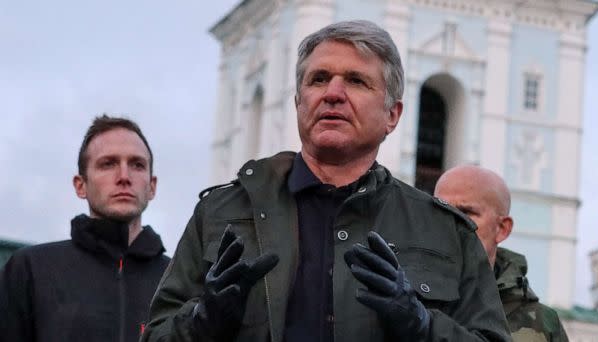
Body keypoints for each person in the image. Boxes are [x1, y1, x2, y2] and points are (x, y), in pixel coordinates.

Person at [142, 20, 510, 341]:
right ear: (299, 103)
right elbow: (157, 334)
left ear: (392, 115)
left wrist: (422, 325)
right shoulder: (221, 212)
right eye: (319, 79)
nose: (333, 93)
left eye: (356, 81)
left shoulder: (444, 231)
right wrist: (203, 319)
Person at [0, 115, 170, 342]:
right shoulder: (31, 269)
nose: (124, 177)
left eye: (137, 165)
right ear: (81, 186)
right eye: (108, 164)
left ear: (152, 186)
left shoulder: (177, 282)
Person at [434, 165, 569, 341]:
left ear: (502, 228)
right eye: (440, 210)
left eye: (466, 212)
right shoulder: (404, 300)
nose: (449, 222)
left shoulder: (542, 326)